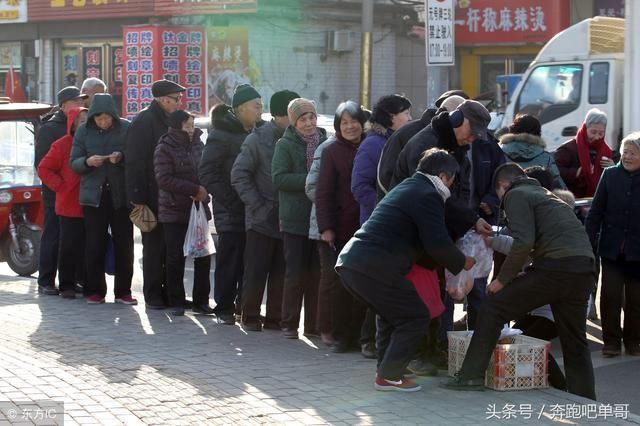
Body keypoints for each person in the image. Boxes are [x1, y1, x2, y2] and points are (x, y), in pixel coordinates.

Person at [445, 163, 596, 401]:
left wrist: (502, 280)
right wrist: (494, 239)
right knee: (575, 341)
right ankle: (585, 398)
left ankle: (471, 376)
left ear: (503, 186)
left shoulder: (516, 194)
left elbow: (523, 242)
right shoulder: (546, 196)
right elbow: (528, 242)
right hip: (583, 269)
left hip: (554, 268)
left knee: (493, 308)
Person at [336, 149, 474, 392]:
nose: (452, 187)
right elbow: (436, 242)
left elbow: (422, 245)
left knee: (391, 315)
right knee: (415, 316)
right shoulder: (427, 194)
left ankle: (387, 367)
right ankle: (389, 375)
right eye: (452, 180)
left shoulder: (408, 187)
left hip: (354, 263)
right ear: (443, 176)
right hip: (374, 265)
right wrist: (463, 261)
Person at [231, 89, 300, 332]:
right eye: (296, 114)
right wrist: (258, 206)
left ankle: (275, 318)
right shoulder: (258, 139)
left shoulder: (301, 139)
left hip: (290, 218)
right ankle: (249, 315)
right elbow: (239, 175)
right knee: (256, 270)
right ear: (282, 115)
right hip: (261, 217)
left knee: (282, 271)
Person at [200, 84, 264, 325]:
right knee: (230, 261)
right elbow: (207, 172)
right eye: (256, 106)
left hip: (255, 209)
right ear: (240, 109)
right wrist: (229, 199)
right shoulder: (222, 133)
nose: (260, 110)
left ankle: (244, 307)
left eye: (261, 106)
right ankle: (224, 307)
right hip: (231, 209)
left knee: (251, 262)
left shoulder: (260, 132)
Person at [70, 94, 135, 305]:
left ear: (113, 116)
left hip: (120, 195)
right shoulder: (83, 131)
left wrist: (122, 157)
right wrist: (88, 162)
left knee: (124, 243)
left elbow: (135, 156)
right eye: (99, 119)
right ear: (93, 118)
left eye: (106, 118)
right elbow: (74, 163)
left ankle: (123, 291)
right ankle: (95, 290)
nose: (103, 122)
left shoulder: (126, 128)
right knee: (94, 243)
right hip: (93, 196)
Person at [125, 79, 185, 309]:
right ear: (162, 99)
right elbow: (135, 162)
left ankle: (171, 293)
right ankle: (153, 294)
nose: (178, 103)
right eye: (175, 99)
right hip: (149, 196)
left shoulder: (171, 120)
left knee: (171, 248)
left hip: (170, 196)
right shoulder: (144, 121)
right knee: (153, 247)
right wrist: (138, 199)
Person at [314, 101, 367, 353]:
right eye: (344, 122)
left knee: (363, 284)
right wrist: (326, 227)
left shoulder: (371, 146)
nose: (350, 126)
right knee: (340, 284)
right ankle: (341, 336)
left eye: (353, 121)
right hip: (340, 228)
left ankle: (360, 336)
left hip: (366, 226)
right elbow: (322, 193)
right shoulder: (331, 151)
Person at [272, 98, 327, 339]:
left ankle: (313, 325)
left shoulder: (326, 142)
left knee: (317, 274)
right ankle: (289, 324)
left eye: (311, 117)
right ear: (294, 123)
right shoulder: (285, 144)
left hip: (319, 218)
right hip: (294, 219)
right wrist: (311, 181)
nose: (308, 123)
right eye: (302, 119)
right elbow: (279, 178)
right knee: (295, 273)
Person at [585, 132, 640, 357]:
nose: (626, 156)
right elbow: (595, 212)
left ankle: (634, 341)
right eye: (625, 151)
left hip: (638, 251)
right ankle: (611, 341)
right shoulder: (610, 175)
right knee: (610, 297)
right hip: (611, 248)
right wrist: (588, 241)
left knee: (637, 300)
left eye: (633, 153)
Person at [154, 110, 213, 317]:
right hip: (174, 210)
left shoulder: (198, 143)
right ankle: (176, 300)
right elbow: (164, 179)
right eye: (188, 125)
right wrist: (193, 190)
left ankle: (201, 302)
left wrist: (204, 192)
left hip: (198, 209)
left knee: (203, 255)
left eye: (192, 124)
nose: (191, 128)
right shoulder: (165, 147)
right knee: (175, 257)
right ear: (178, 126)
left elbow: (207, 170)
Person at [34, 86, 88, 295]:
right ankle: (46, 280)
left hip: (78, 195)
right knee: (53, 237)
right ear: (65, 105)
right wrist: (60, 186)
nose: (81, 104)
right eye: (77, 101)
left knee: (75, 240)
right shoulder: (50, 128)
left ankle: (75, 280)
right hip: (54, 194)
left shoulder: (84, 126)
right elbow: (41, 164)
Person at [377, 90, 468, 197]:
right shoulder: (409, 135)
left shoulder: (457, 139)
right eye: (406, 113)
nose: (410, 118)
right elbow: (386, 176)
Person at [351, 94, 411, 224]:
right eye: (406, 113)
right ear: (391, 116)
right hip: (378, 223)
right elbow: (359, 186)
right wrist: (386, 208)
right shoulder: (372, 144)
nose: (410, 118)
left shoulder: (399, 141)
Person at [555, 108, 614, 198]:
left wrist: (613, 168)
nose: (597, 137)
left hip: (598, 199)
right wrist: (576, 172)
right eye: (593, 132)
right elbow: (554, 171)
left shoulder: (606, 151)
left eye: (601, 133)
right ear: (585, 128)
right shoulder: (568, 148)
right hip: (574, 200)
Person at [499, 114, 565, 189]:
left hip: (506, 199)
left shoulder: (498, 153)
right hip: (539, 198)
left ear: (512, 131)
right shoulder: (546, 157)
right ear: (538, 133)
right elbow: (559, 185)